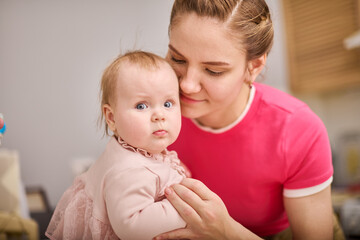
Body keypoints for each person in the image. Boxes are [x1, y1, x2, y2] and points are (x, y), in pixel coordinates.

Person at [153, 0, 340, 239]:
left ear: (253, 67)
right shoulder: (152, 116)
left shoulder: (297, 128)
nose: (187, 85)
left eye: (214, 71)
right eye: (178, 59)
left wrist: (225, 231)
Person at [46, 51, 188, 240]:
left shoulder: (133, 147)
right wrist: (184, 208)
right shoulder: (129, 172)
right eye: (141, 106)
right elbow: (133, 227)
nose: (159, 115)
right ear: (112, 117)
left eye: (168, 104)